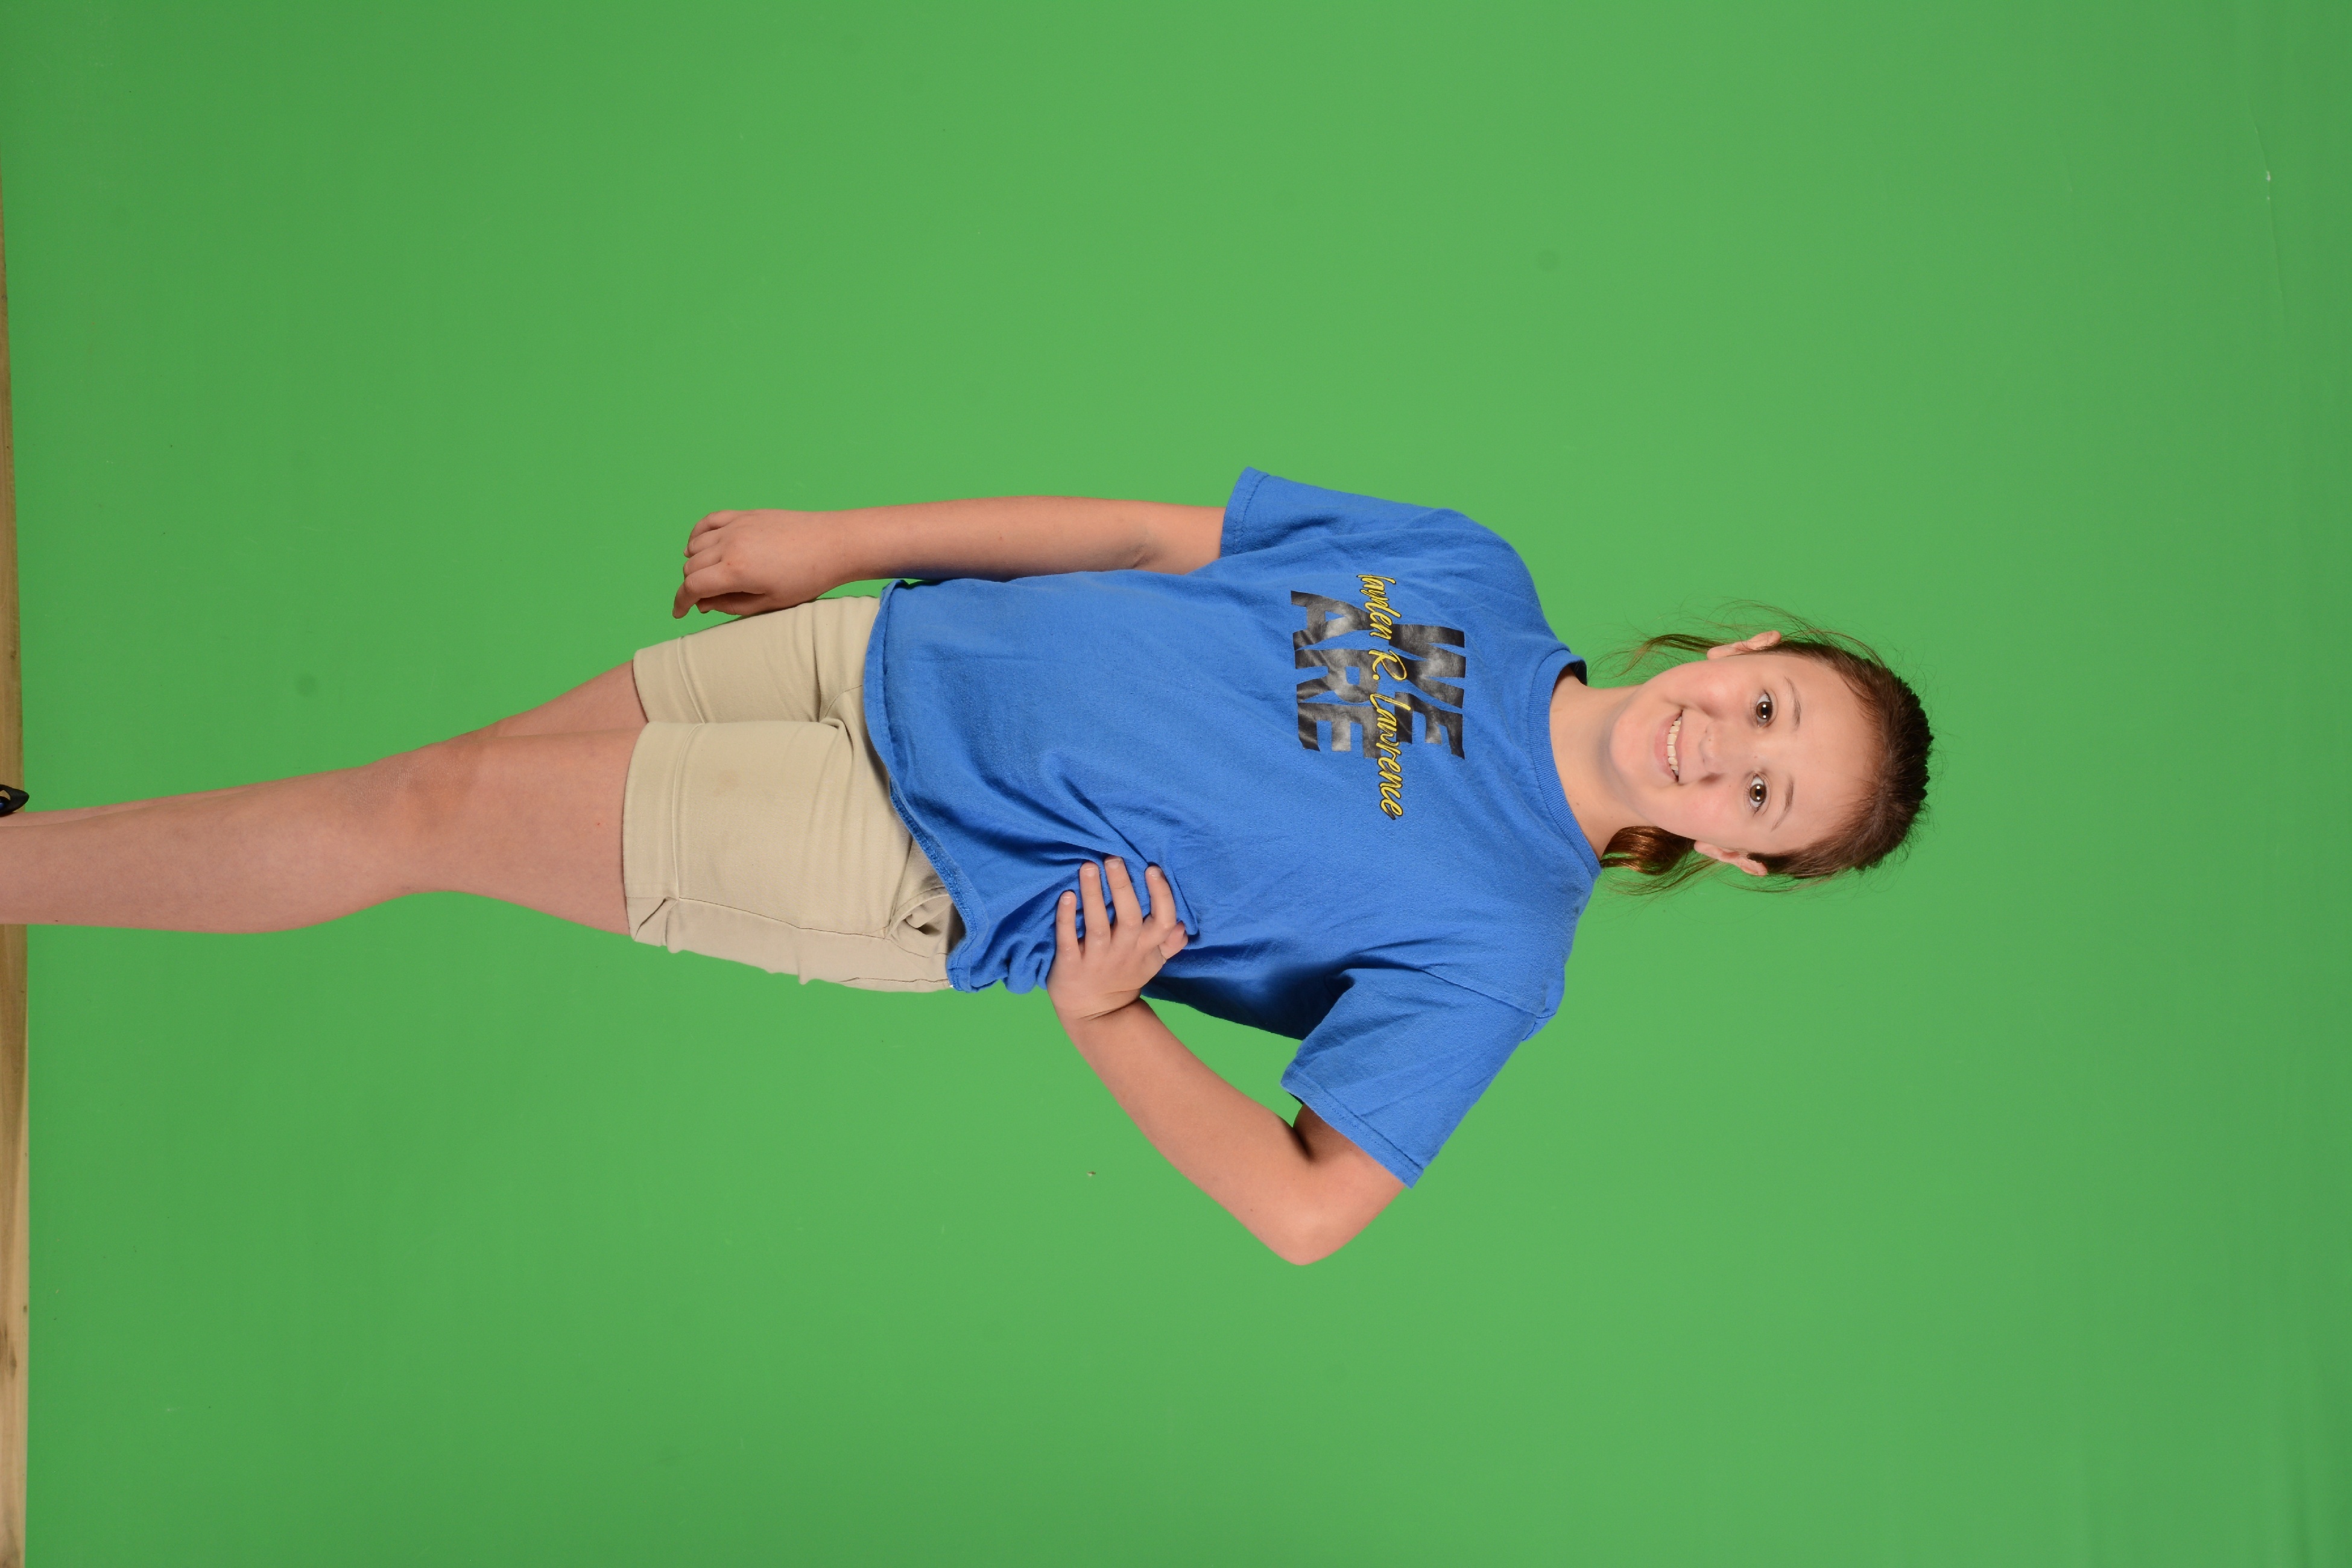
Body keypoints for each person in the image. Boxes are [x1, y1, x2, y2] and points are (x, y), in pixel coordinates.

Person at [0, 470, 1930, 1262]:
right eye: (1767, 711)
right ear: (1744, 653)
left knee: (422, 820)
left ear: (1738, 859)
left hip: (914, 856)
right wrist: (847, 541)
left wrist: (1105, 1022)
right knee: (433, 782)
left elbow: (1309, 1207)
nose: (1728, 749)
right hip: (878, 655)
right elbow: (1146, 536)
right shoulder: (1468, 572)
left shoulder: (1504, 939)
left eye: (1768, 796)